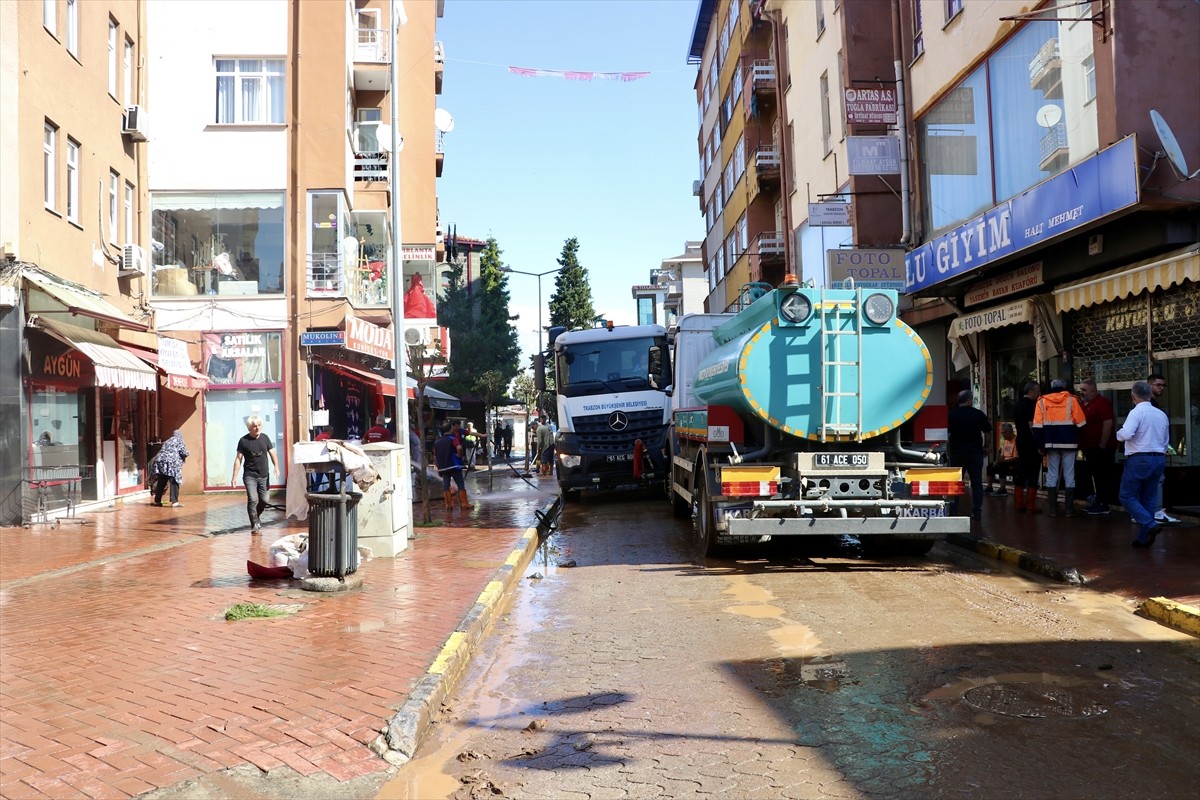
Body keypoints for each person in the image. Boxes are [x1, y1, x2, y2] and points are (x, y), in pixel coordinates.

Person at [1118, 380, 1170, 548]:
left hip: (1139, 458)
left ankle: (1149, 525)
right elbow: (1165, 440)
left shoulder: (1136, 413)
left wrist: (1118, 434)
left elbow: (1126, 434)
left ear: (1133, 396)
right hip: (1159, 458)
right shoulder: (1161, 414)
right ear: (1149, 394)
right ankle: (1143, 538)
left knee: (1126, 496)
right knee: (1148, 499)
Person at [1033, 378, 1087, 516]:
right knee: (1069, 475)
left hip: (1050, 443)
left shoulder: (1041, 401)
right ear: (1065, 387)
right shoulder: (1071, 400)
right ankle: (1069, 510)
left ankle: (1052, 510)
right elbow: (1081, 424)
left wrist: (1040, 445)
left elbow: (1037, 426)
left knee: (1052, 474)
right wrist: (1075, 436)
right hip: (1069, 443)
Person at [230, 415, 279, 533]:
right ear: (249, 428)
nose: (257, 428)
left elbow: (272, 453)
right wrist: (234, 476)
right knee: (253, 499)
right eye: (254, 426)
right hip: (250, 475)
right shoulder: (243, 441)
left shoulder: (265, 438)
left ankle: (255, 516)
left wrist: (276, 467)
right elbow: (238, 459)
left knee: (265, 500)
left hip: (264, 475)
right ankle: (254, 524)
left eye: (259, 425)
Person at [947, 389, 990, 520]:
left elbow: (947, 436)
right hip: (975, 453)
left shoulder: (951, 415)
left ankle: (954, 510)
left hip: (957, 453)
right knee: (977, 484)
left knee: (955, 483)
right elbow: (988, 432)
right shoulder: (978, 414)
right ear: (969, 400)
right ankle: (977, 512)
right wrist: (986, 447)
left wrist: (948, 452)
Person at [1078, 379, 1116, 516]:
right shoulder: (1083, 404)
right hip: (1088, 447)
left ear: (1093, 391)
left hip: (1100, 447)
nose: (1081, 392)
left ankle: (1104, 503)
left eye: (1084, 390)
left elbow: (1108, 423)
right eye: (1081, 389)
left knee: (1102, 475)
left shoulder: (1102, 403)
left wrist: (1102, 444)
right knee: (1094, 475)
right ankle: (1097, 500)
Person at [1146, 373, 1179, 524]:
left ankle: (1146, 512)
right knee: (1157, 479)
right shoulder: (1148, 406)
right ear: (1149, 386)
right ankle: (1156, 512)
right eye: (1158, 385)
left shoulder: (1152, 405)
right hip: (1151, 450)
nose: (1162, 388)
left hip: (1150, 450)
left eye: (1163, 385)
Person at [1012, 381, 1042, 514]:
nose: (1038, 394)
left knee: (1022, 470)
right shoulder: (1032, 405)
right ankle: (1030, 504)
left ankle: (1018, 502)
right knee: (1034, 471)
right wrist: (1039, 441)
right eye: (1037, 391)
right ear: (1031, 392)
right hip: (1031, 442)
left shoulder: (1018, 404)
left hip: (1021, 440)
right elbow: (1032, 425)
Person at [433, 421, 469, 510]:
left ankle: (448, 505)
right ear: (451, 429)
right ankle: (464, 504)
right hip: (454, 466)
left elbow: (435, 457)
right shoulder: (453, 439)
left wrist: (438, 467)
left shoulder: (437, 442)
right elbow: (459, 447)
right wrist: (459, 455)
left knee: (446, 485)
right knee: (460, 484)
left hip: (444, 468)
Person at [151, 430, 189, 507]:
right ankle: (174, 502)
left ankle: (157, 501)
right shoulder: (179, 440)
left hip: (160, 462)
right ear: (180, 435)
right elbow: (184, 452)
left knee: (161, 482)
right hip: (172, 463)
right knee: (174, 481)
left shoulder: (167, 441)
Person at [986, 423, 1018, 497]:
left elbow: (1016, 458)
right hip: (1005, 462)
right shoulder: (1006, 441)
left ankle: (1003, 489)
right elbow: (1002, 455)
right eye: (1002, 433)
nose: (1003, 435)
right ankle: (989, 487)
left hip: (1013, 463)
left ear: (1010, 432)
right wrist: (997, 462)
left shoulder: (1016, 441)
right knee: (990, 466)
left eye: (1004, 433)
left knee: (1002, 465)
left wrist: (1002, 462)